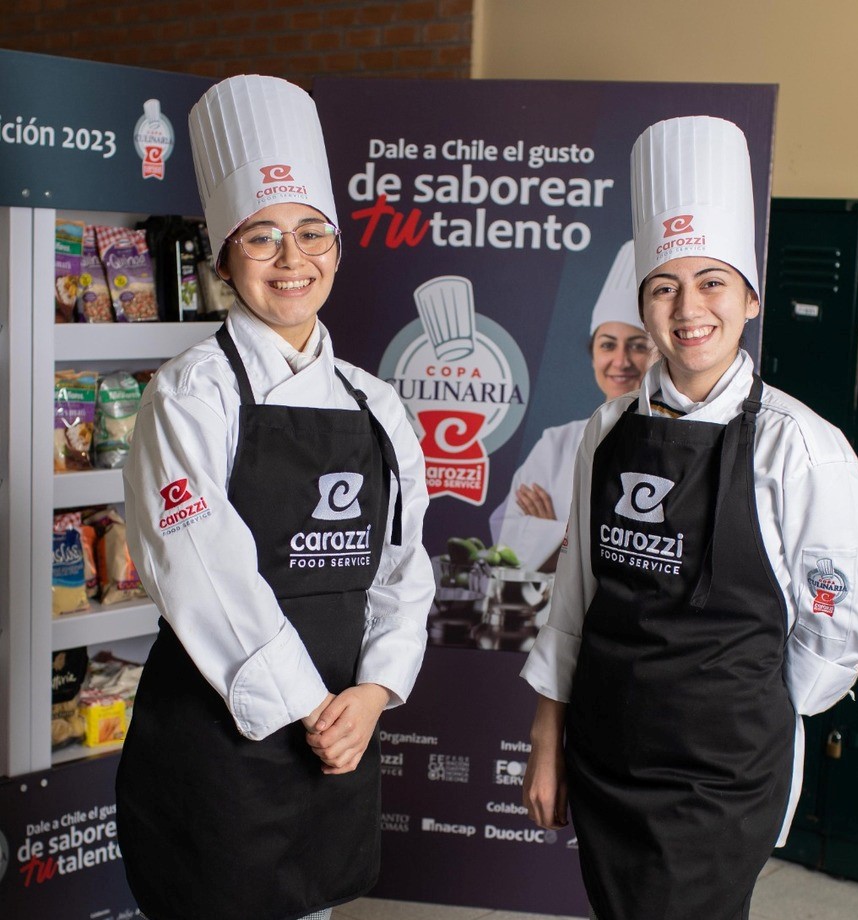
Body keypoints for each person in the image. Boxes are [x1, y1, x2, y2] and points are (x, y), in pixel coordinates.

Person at [520, 115, 858, 920]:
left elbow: (840, 619)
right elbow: (576, 597)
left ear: (750, 296)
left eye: (712, 281)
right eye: (665, 286)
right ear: (644, 303)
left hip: (721, 774)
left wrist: (741, 707)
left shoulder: (800, 447)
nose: (689, 309)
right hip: (607, 754)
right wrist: (550, 738)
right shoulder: (607, 431)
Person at [115, 75, 434, 920]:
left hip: (339, 732)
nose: (293, 260)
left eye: (311, 233)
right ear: (224, 258)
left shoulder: (377, 403)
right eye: (263, 237)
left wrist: (374, 695)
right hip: (223, 743)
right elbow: (198, 568)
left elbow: (404, 566)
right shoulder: (190, 394)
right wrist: (310, 705)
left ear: (337, 246)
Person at [489, 240, 653, 573]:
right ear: (593, 354)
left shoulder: (671, 443)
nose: (620, 361)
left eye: (637, 346)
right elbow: (505, 539)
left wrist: (552, 534)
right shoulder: (557, 443)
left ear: (657, 355)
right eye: (608, 345)